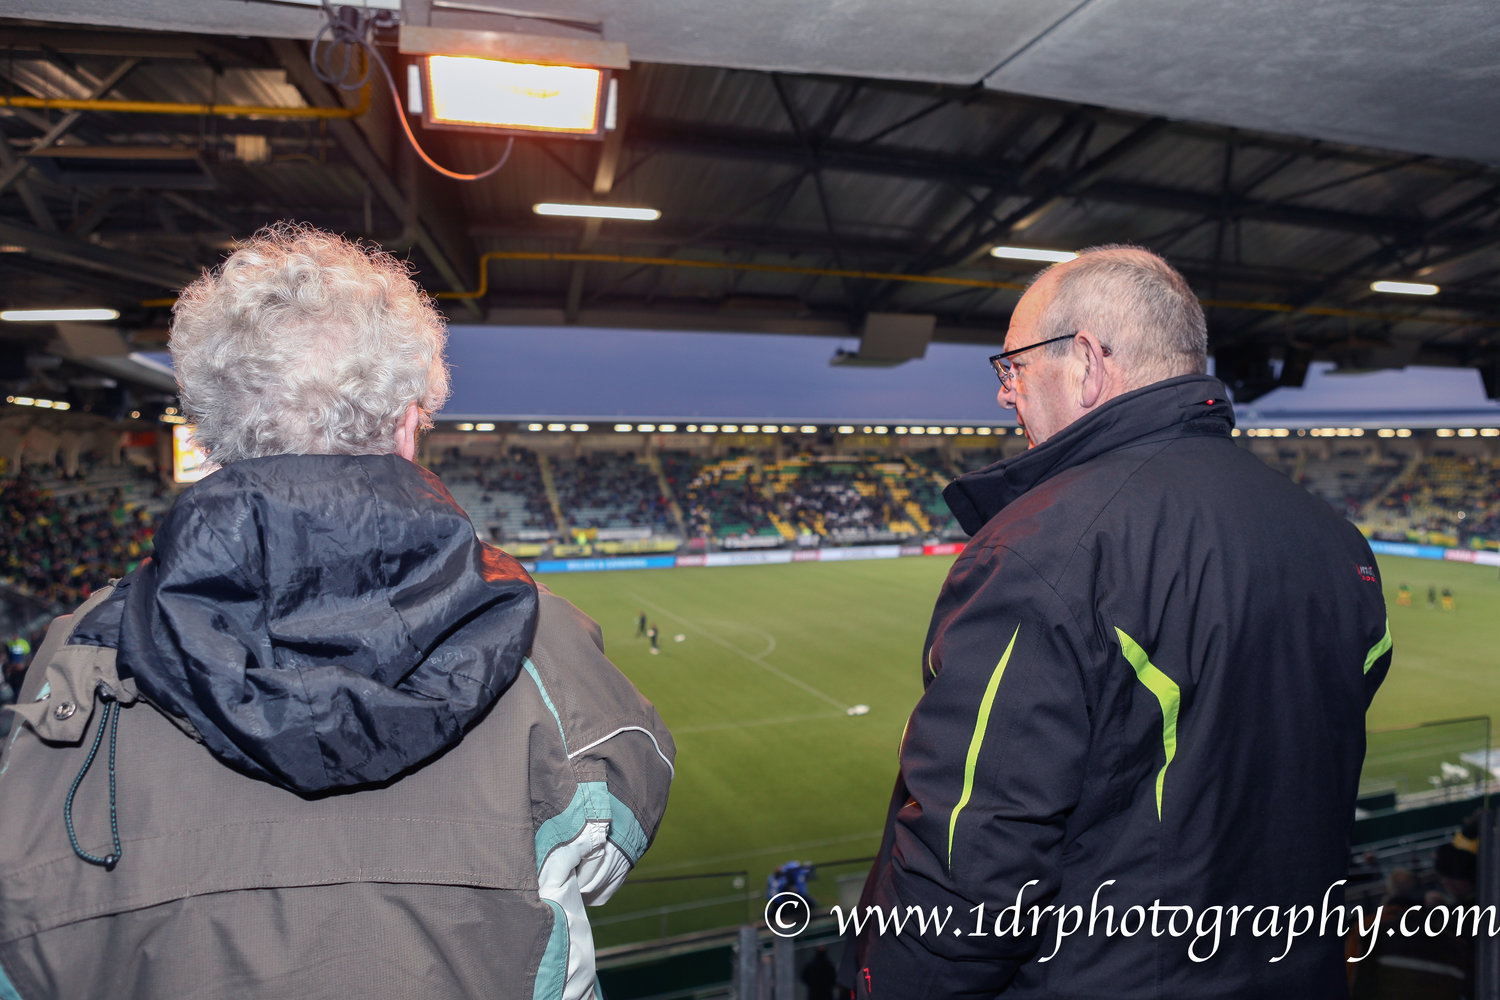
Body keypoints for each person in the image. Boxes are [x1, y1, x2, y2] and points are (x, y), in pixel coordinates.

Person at [0, 224, 675, 1000]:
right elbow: (613, 830)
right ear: (408, 425)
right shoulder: (542, 642)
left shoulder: (80, 651)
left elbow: (24, 926)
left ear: (211, 434)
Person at [849, 246, 1391, 997]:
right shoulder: (1339, 544)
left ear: (1085, 362)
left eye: (1013, 367)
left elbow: (970, 865)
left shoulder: (1045, 547)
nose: (1005, 395)